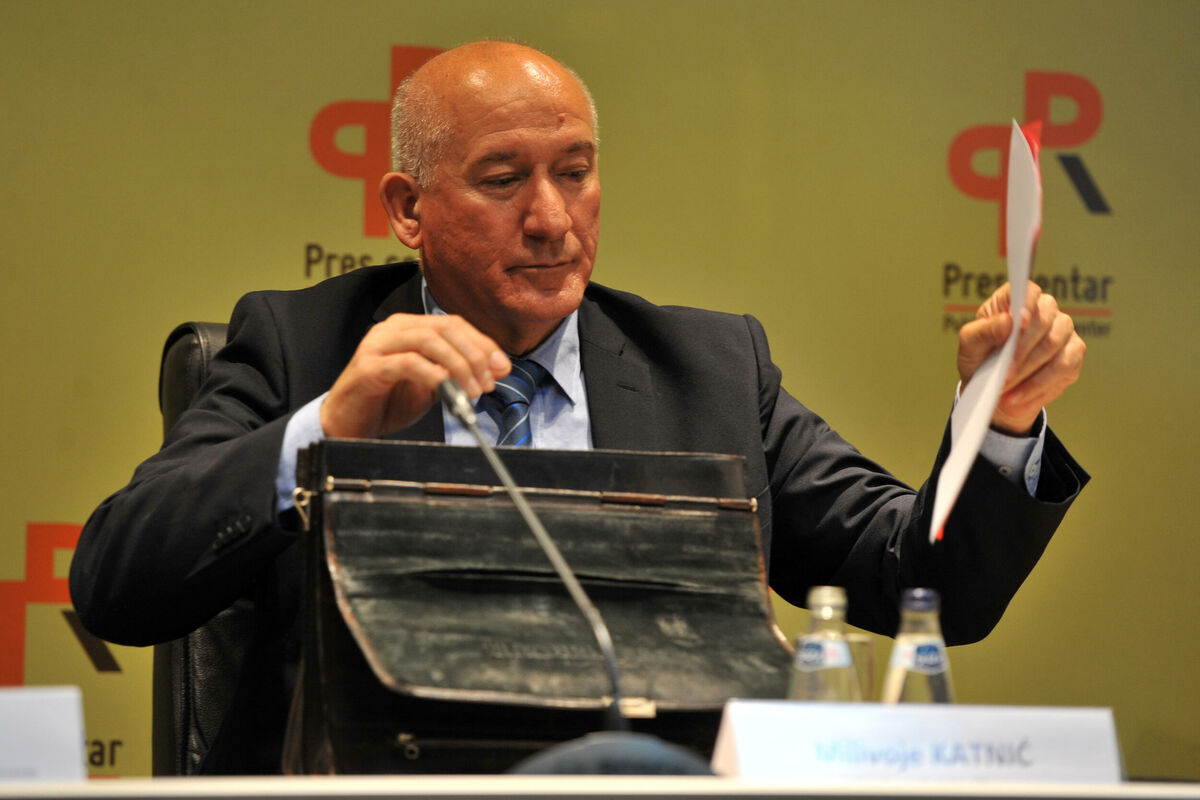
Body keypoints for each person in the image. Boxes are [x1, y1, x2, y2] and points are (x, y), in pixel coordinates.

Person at [70, 41, 1087, 774]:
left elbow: (921, 583)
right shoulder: (305, 347)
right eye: (503, 179)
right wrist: (324, 430)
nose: (551, 219)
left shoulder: (708, 370)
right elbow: (116, 582)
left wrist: (998, 422)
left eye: (576, 173)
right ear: (408, 209)